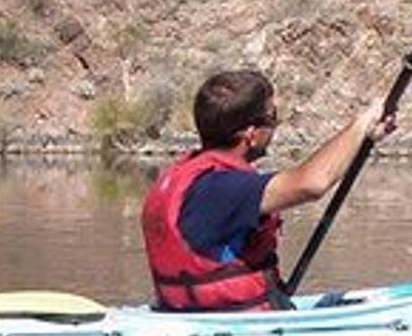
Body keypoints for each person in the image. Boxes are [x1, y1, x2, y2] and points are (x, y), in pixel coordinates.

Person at [140, 69, 395, 311]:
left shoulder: (190, 179)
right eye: (272, 118)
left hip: (194, 313)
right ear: (251, 134)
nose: (274, 127)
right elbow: (312, 183)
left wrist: (364, 138)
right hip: (232, 322)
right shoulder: (223, 189)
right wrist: (362, 122)